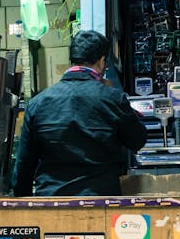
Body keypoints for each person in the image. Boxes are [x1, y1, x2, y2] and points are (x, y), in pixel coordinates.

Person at [11, 30, 147, 196]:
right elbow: (137, 140)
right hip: (101, 203)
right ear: (102, 62)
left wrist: (24, 205)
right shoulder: (112, 99)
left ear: (72, 60)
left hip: (51, 203)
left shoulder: (37, 104)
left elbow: (24, 165)